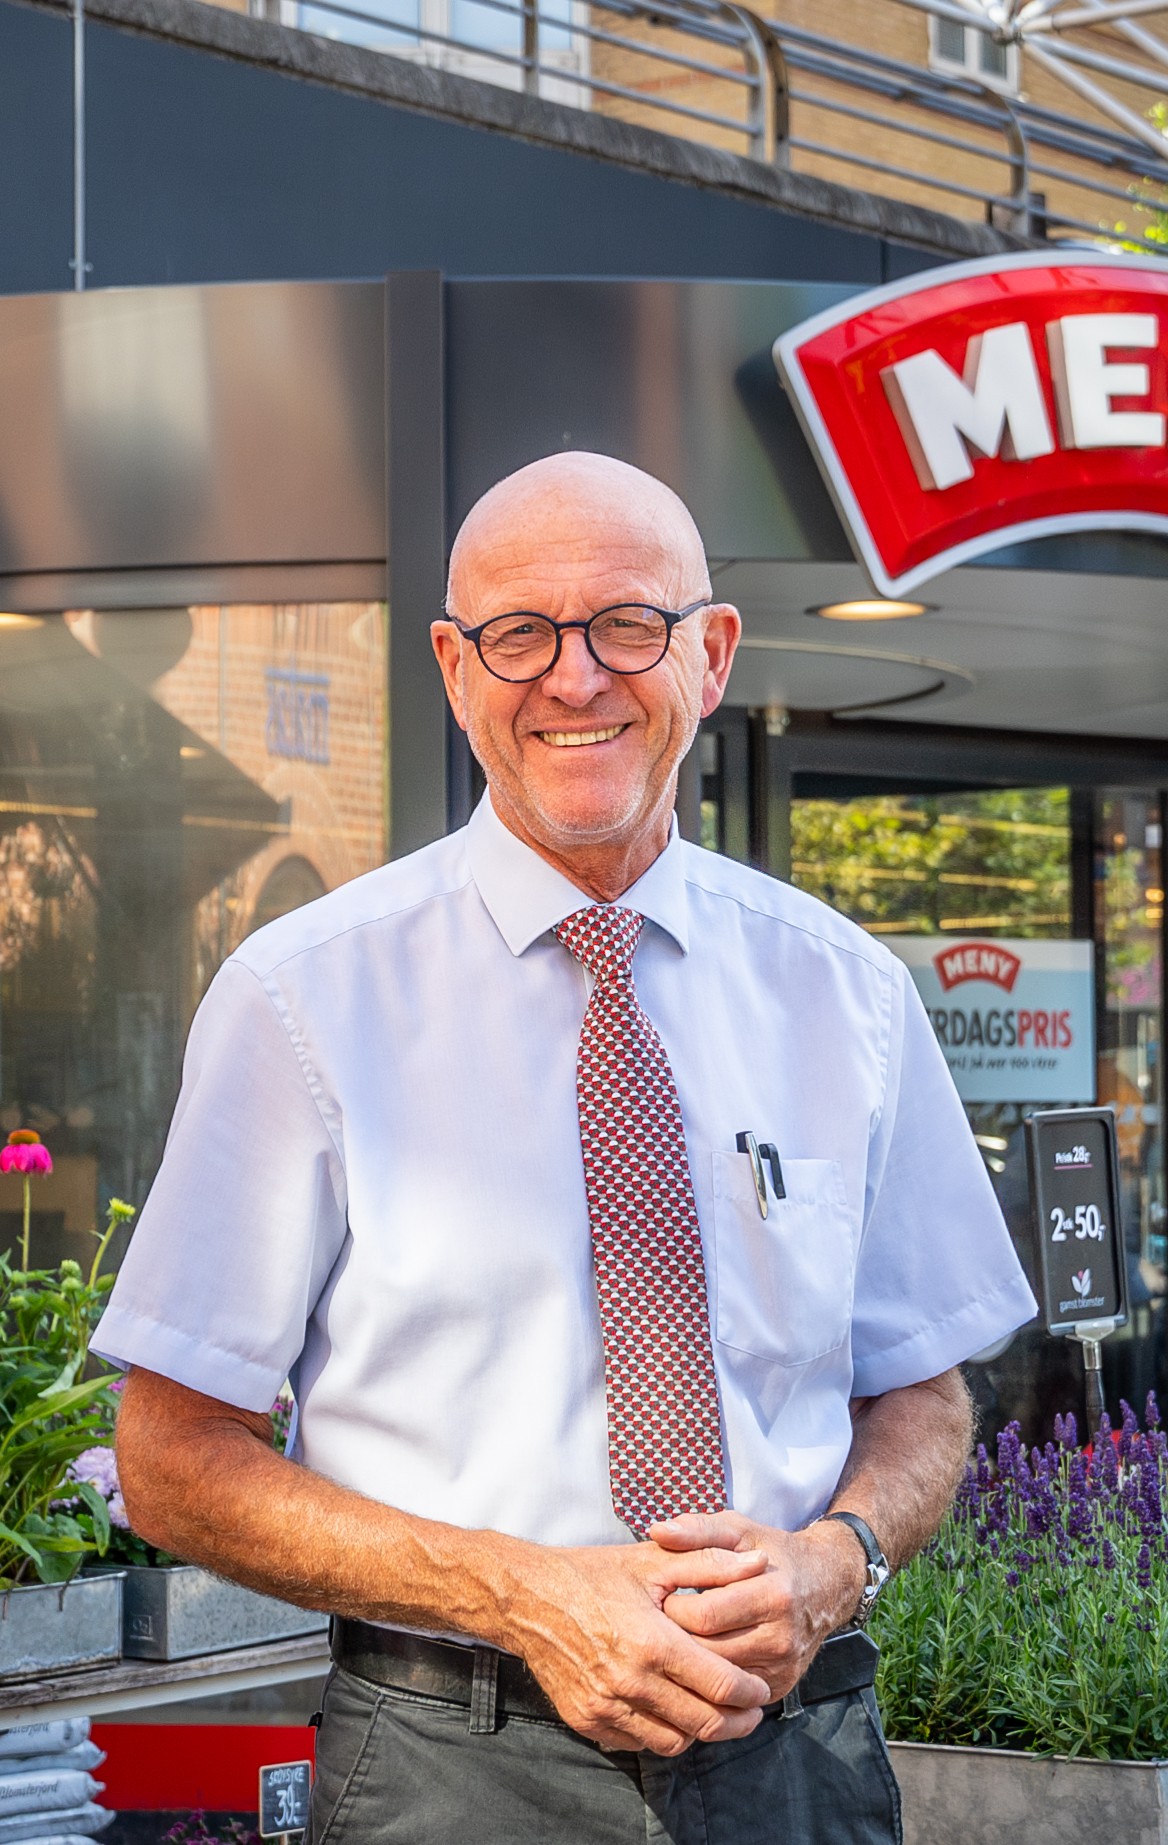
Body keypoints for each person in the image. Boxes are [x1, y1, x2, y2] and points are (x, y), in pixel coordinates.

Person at [92, 451, 1038, 1842]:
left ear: (710, 655)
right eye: (521, 634)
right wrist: (520, 1590)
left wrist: (831, 1562)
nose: (574, 678)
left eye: (627, 627)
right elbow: (172, 1457)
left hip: (796, 1759)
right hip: (452, 1765)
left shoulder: (848, 994)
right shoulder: (304, 999)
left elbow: (924, 1399)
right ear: (456, 668)